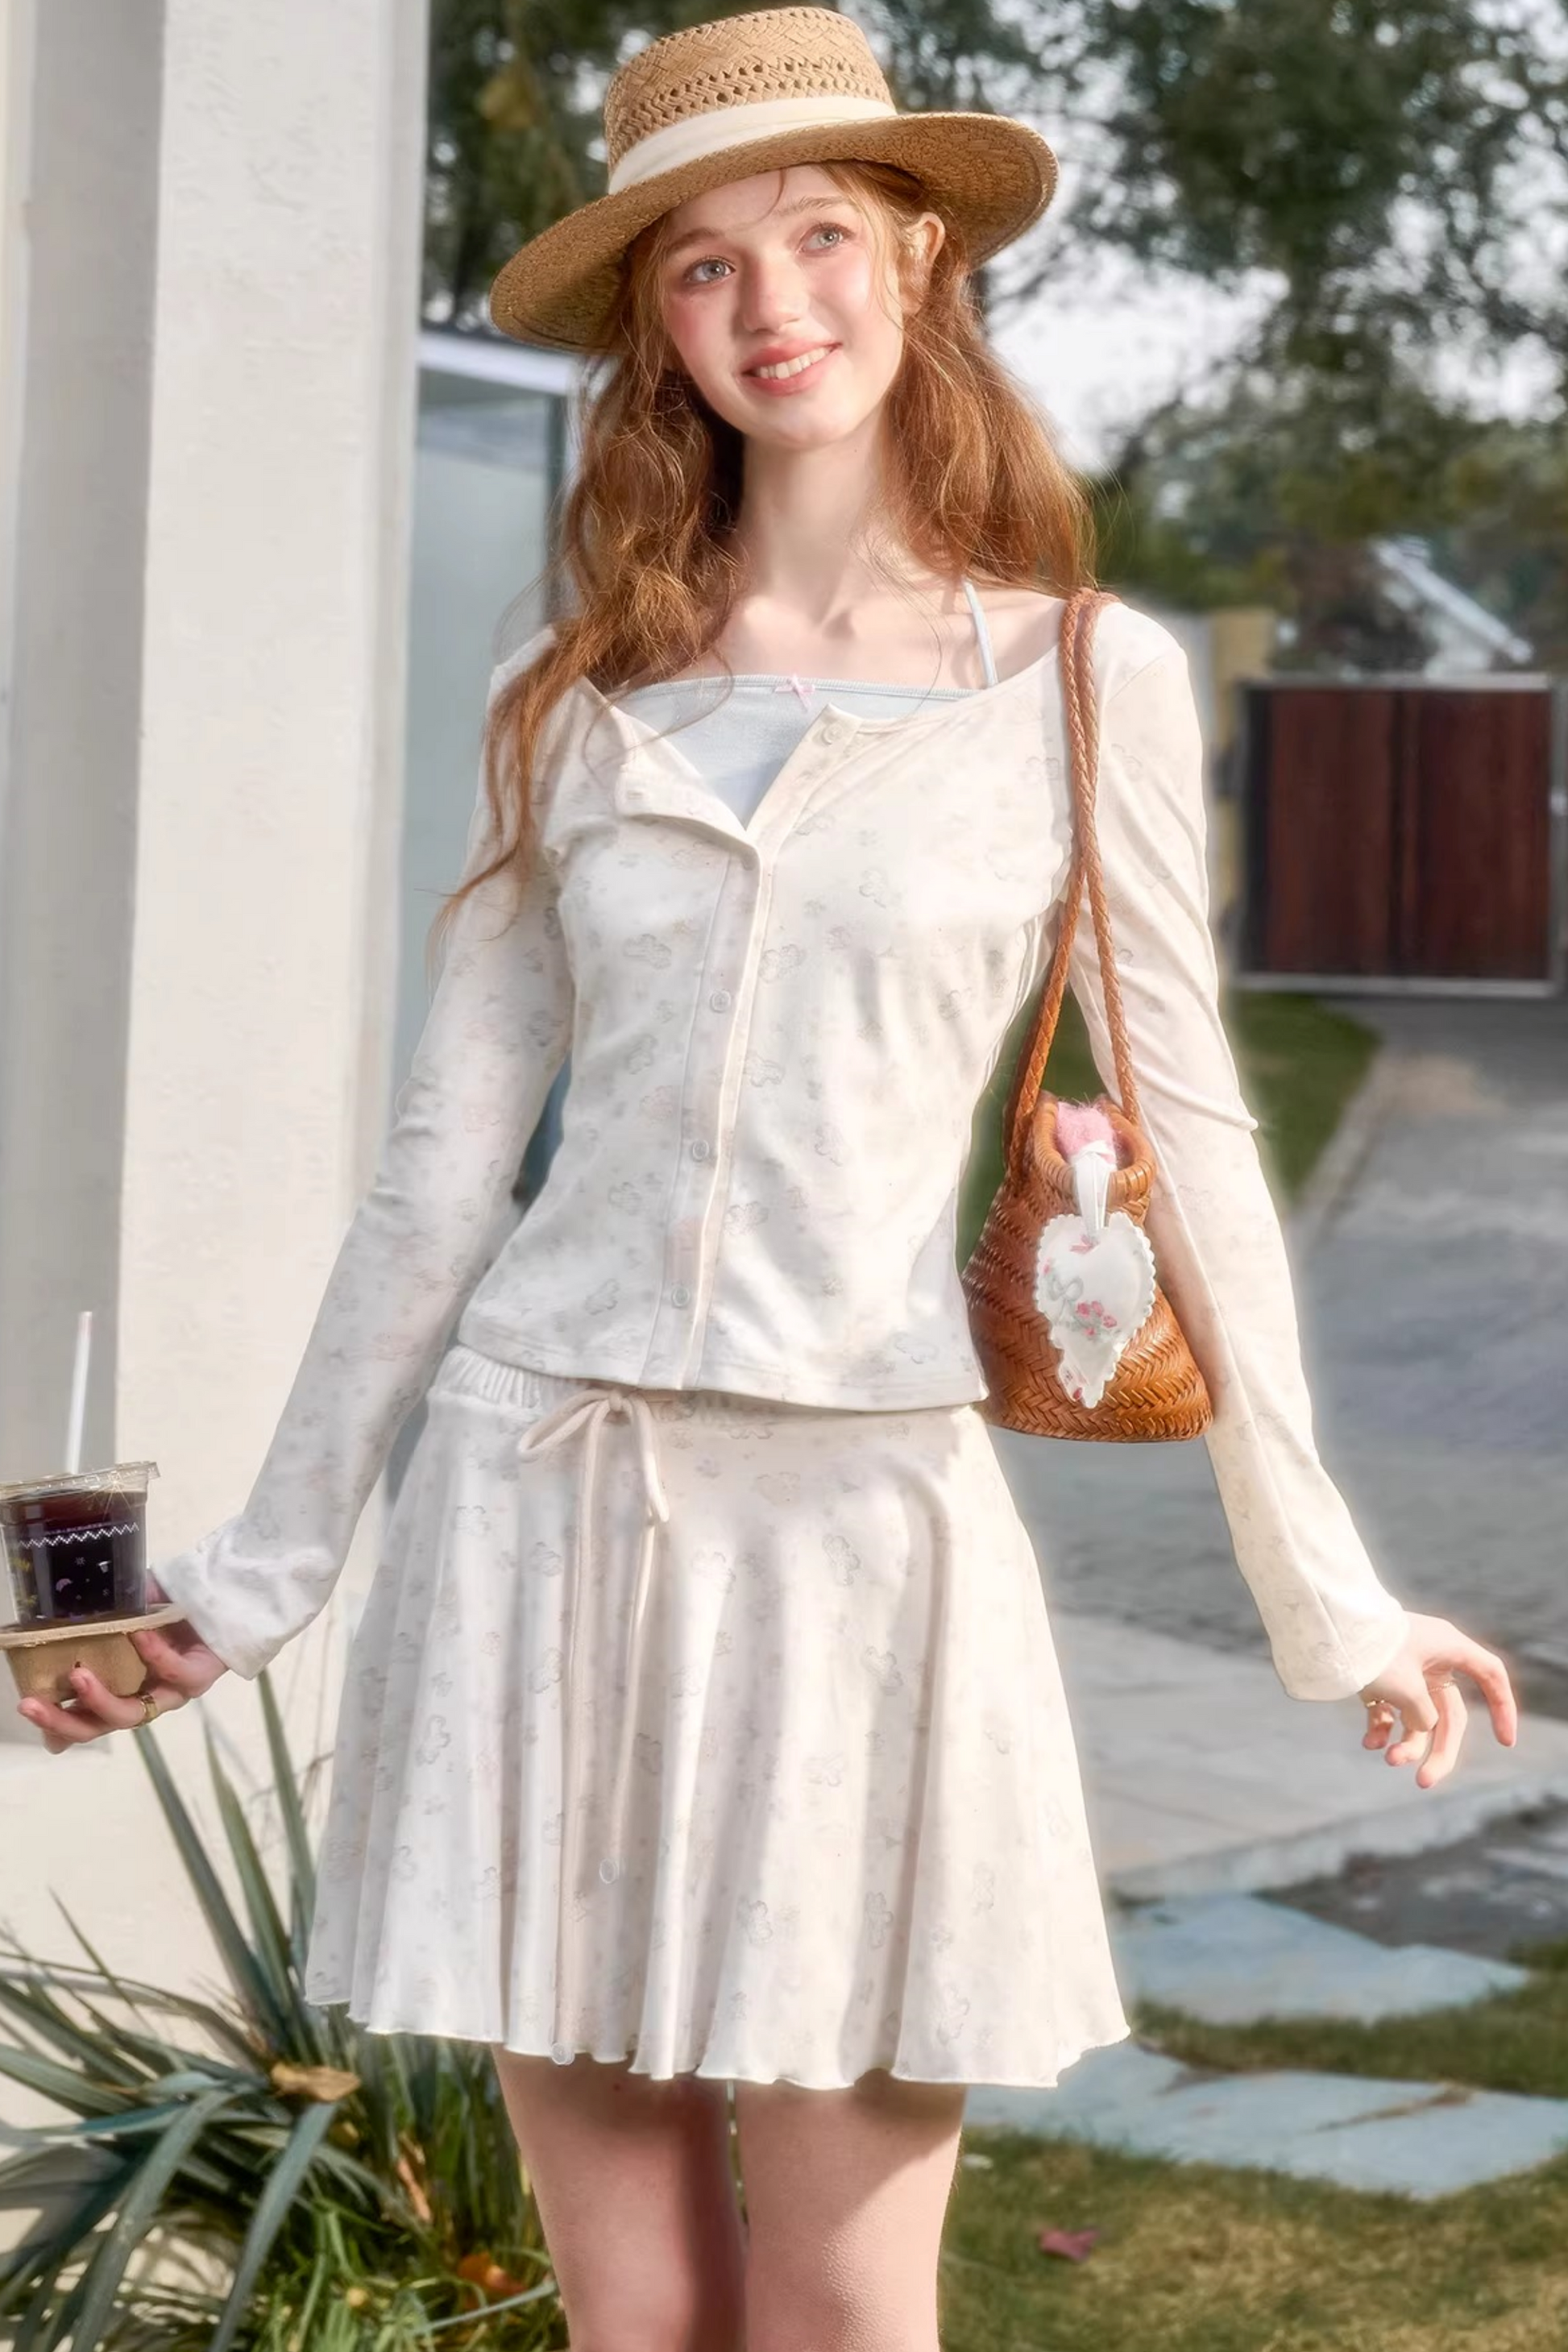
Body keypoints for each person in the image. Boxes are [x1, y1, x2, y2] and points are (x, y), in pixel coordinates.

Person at [19, 10, 1517, 2347]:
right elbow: (441, 1171)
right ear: (659, 329)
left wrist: (1329, 1603)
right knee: (636, 2314)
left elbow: (1200, 1144)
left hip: (863, 1535)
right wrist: (249, 1585)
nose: (769, 301)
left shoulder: (1080, 677)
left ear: (917, 258)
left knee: (841, 2306)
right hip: (542, 1513)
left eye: (817, 233)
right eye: (702, 265)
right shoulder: (575, 688)